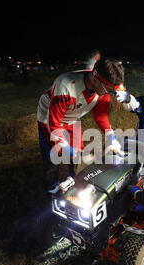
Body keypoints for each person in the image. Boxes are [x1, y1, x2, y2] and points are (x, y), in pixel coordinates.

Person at [37, 57, 124, 193]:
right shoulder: (66, 86)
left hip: (72, 117)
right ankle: (52, 187)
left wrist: (110, 135)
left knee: (79, 156)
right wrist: (66, 148)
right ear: (95, 80)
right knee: (53, 156)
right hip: (49, 118)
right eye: (108, 90)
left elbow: (101, 115)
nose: (109, 94)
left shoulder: (102, 86)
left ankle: (76, 181)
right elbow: (54, 125)